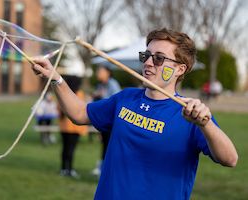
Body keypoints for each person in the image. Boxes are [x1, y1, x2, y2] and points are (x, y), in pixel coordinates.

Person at [32, 28, 238, 200]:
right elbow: (79, 113)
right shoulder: (126, 98)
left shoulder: (190, 113)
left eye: (158, 59)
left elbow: (230, 159)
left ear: (179, 69)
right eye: (146, 56)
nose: (148, 63)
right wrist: (55, 78)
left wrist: (206, 124)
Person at [92, 65, 121, 177]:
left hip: (114, 122)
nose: (98, 73)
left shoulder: (112, 84)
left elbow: (116, 101)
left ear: (108, 73)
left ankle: (107, 169)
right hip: (105, 120)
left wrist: (101, 95)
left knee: (110, 146)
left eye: (100, 71)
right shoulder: (100, 84)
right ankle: (103, 168)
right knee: (105, 145)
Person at [58, 75, 88, 178]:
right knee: (71, 149)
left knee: (65, 148)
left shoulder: (64, 93)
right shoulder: (79, 94)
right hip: (74, 128)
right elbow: (83, 109)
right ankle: (69, 169)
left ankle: (63, 169)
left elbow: (59, 108)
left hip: (64, 127)